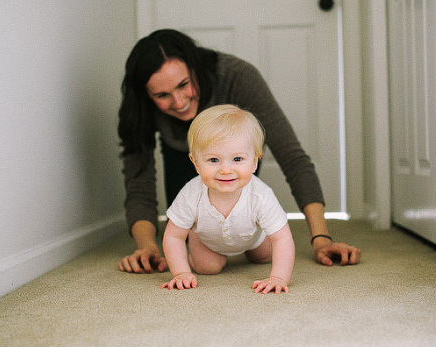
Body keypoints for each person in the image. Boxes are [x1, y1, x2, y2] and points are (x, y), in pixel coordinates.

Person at [116, 29, 361, 274]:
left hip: (237, 163)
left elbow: (293, 158)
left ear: (195, 69)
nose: (179, 102)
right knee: (190, 235)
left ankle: (249, 225)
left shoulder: (238, 77)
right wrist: (148, 246)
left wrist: (321, 239)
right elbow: (140, 184)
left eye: (184, 85)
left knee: (259, 239)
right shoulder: (140, 109)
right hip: (182, 159)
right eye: (162, 95)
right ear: (146, 96)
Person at [161, 105, 295, 293]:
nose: (226, 170)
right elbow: (174, 236)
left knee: (267, 255)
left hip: (252, 238)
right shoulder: (191, 194)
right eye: (214, 160)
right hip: (209, 240)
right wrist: (180, 272)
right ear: (195, 163)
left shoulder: (260, 195)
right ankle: (194, 236)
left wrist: (278, 278)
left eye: (238, 159)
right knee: (207, 267)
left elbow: (282, 238)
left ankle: (256, 248)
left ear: (254, 161)